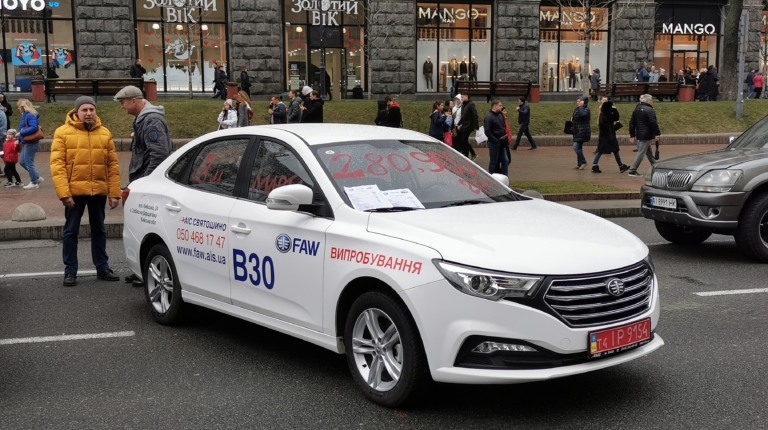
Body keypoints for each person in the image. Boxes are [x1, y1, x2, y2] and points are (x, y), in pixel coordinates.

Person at [50, 96, 121, 287]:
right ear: (76, 112)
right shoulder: (63, 132)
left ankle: (102, 267)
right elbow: (57, 165)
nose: (89, 113)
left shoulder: (104, 132)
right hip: (75, 191)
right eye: (84, 110)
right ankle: (70, 270)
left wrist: (114, 193)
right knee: (70, 231)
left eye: (91, 109)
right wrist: (64, 193)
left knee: (99, 230)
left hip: (98, 191)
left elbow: (112, 165)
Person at [592, 99, 629, 174]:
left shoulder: (602, 115)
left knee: (600, 150)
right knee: (615, 151)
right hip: (610, 136)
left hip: (603, 136)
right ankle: (620, 166)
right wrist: (615, 110)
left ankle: (594, 165)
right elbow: (616, 118)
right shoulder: (609, 115)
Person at [627, 94, 660, 177]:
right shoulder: (649, 110)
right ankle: (632, 170)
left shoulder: (637, 109)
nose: (652, 101)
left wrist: (632, 134)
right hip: (647, 134)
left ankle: (655, 166)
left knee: (649, 152)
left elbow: (632, 123)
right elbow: (653, 122)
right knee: (641, 153)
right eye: (651, 100)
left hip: (640, 133)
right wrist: (657, 133)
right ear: (648, 101)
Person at [17, 98, 43, 189]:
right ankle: (37, 177)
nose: (18, 108)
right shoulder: (25, 115)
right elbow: (23, 127)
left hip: (31, 142)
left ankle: (34, 182)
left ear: (23, 107)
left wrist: (21, 133)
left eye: (19, 106)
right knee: (22, 162)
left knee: (28, 163)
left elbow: (33, 128)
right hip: (27, 142)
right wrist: (19, 139)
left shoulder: (29, 115)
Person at [483, 100, 508, 176]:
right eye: (500, 105)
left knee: (505, 160)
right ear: (494, 106)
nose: (501, 107)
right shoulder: (489, 117)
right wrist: (495, 141)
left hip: (502, 143)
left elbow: (503, 127)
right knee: (493, 162)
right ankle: (491, 177)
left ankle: (505, 177)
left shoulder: (500, 115)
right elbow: (487, 131)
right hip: (494, 143)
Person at [456, 93, 479, 160]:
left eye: (463, 97)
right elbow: (463, 117)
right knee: (463, 140)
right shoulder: (463, 105)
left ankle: (471, 154)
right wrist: (459, 124)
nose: (462, 99)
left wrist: (476, 126)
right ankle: (468, 155)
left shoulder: (471, 104)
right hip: (464, 125)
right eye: (461, 97)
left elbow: (475, 115)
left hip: (469, 125)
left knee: (464, 140)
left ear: (467, 96)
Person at [571, 96, 591, 170]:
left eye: (580, 101)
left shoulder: (586, 109)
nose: (578, 103)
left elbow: (583, 115)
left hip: (583, 131)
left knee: (576, 147)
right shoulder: (577, 109)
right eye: (577, 101)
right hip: (577, 131)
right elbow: (576, 117)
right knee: (579, 147)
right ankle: (579, 164)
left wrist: (581, 107)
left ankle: (584, 162)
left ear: (584, 102)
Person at [500, 106, 513, 171]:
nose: (506, 112)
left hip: (506, 142)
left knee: (507, 160)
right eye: (504, 111)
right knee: (506, 160)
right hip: (503, 142)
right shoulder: (501, 121)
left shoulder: (504, 120)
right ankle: (502, 173)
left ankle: (502, 172)